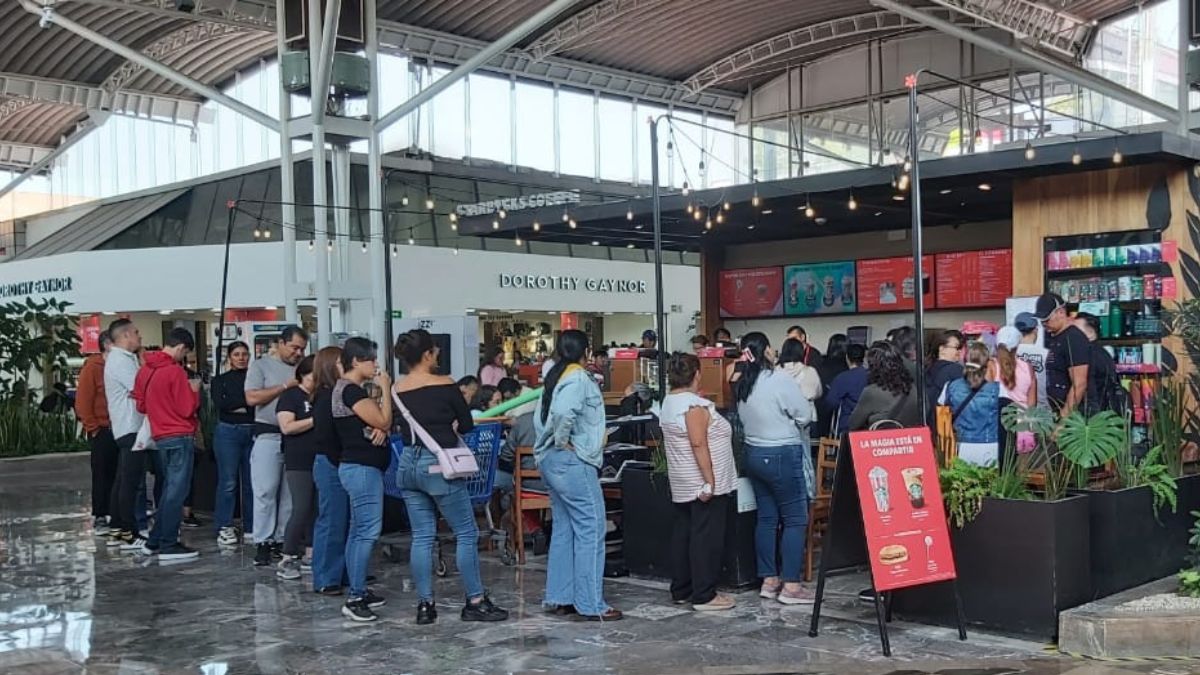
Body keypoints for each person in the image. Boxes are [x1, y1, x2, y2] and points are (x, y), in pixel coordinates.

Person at [393, 329, 509, 625]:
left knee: (421, 536)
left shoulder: (398, 388)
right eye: (435, 350)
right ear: (427, 354)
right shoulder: (444, 384)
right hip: (439, 466)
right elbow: (468, 424)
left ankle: (425, 605)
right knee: (466, 533)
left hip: (407, 464)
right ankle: (475, 600)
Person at [534, 329, 621, 620]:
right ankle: (590, 603)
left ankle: (561, 596)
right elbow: (562, 413)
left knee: (565, 527)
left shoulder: (555, 377)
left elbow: (543, 417)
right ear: (585, 353)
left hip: (552, 462)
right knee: (592, 528)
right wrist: (563, 440)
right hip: (572, 462)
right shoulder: (577, 379)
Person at [735, 332, 814, 605]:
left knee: (767, 519)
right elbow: (804, 414)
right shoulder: (779, 379)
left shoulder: (744, 382)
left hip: (753, 454)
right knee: (795, 518)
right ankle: (791, 586)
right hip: (782, 453)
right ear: (767, 351)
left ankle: (769, 581)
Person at [660, 353, 737, 612]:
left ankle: (682, 588)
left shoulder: (670, 402)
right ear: (696, 375)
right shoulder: (694, 406)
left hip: (682, 480)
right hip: (701, 482)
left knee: (684, 534)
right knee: (706, 537)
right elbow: (698, 442)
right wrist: (710, 481)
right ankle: (704, 594)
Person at [331, 337, 392, 622]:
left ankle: (359, 588)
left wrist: (378, 426)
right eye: (371, 360)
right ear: (356, 361)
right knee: (367, 531)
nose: (376, 365)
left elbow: (373, 424)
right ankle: (355, 595)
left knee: (358, 531)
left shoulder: (348, 391)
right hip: (361, 469)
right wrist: (386, 391)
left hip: (358, 467)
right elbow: (383, 420)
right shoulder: (351, 391)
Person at [132, 327, 201, 561]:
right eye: (185, 353)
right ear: (181, 347)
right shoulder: (175, 372)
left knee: (169, 490)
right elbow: (186, 408)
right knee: (176, 491)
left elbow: (140, 406)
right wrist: (195, 393)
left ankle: (154, 541)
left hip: (160, 436)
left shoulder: (144, 370)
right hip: (179, 435)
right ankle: (168, 543)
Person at [245, 325, 308, 566]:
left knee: (290, 495)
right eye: (294, 348)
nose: (298, 353)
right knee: (265, 489)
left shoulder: (302, 369)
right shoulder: (261, 366)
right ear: (280, 343)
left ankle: (283, 539)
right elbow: (251, 397)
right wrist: (285, 387)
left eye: (301, 349)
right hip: (268, 434)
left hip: (296, 436)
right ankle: (263, 540)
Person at [104, 319, 149, 551]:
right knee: (130, 482)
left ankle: (117, 528)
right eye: (136, 332)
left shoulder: (124, 358)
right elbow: (140, 388)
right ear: (125, 336)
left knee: (123, 479)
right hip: (130, 427)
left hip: (129, 426)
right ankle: (128, 532)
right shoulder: (120, 361)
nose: (139, 337)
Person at [310, 346, 349, 595]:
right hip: (330, 462)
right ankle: (326, 577)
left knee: (341, 521)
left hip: (334, 461)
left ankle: (341, 571)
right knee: (332, 521)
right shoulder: (326, 397)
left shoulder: (335, 394)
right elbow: (326, 436)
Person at [276, 355, 317, 581]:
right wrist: (314, 420)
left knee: (316, 508)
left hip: (319, 458)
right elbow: (287, 426)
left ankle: (311, 553)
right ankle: (288, 555)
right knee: (301, 507)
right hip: (298, 460)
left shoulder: (321, 395)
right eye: (313, 376)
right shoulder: (291, 396)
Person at [211, 341, 255, 546]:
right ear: (229, 357)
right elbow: (222, 405)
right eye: (236, 354)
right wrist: (246, 403)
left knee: (251, 482)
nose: (241, 357)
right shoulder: (220, 380)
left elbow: (256, 404)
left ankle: (252, 525)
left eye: (244, 354)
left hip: (252, 431)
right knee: (228, 482)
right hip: (228, 432)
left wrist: (241, 404)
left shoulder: (255, 379)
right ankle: (224, 525)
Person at [76, 329, 118, 536]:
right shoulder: (93, 367)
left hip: (121, 428)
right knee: (102, 473)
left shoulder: (123, 365)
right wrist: (93, 428)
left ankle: (117, 513)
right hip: (102, 429)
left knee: (120, 473)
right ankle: (101, 515)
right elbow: (83, 401)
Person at [940, 342, 1001, 466]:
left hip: (961, 446)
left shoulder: (950, 386)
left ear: (965, 360)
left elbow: (941, 414)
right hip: (990, 445)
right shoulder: (997, 389)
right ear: (987, 364)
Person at [848, 341, 924, 432]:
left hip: (880, 442)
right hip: (908, 441)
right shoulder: (913, 389)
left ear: (873, 367)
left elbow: (853, 424)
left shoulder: (871, 392)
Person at [1034, 293, 1090, 415]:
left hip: (1073, 418)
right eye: (1042, 321)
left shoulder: (1074, 338)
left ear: (1061, 312)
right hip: (1055, 410)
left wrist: (1063, 421)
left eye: (1047, 319)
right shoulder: (1052, 338)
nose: (1044, 324)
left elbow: (1079, 384)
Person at [1074, 312, 1121, 416]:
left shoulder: (1088, 354)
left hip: (1093, 415)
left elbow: (1087, 389)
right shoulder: (1102, 353)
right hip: (1104, 413)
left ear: (1090, 333)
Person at [823, 343, 868, 437]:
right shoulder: (870, 376)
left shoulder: (842, 378)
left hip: (848, 425)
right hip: (867, 423)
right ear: (863, 358)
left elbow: (831, 402)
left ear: (847, 357)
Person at [1014, 312, 1049, 411]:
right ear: (1036, 330)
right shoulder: (1047, 354)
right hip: (1042, 409)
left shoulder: (1009, 354)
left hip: (1015, 408)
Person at [926, 330, 965, 411]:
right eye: (957, 347)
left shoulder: (927, 369)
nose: (959, 351)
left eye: (961, 348)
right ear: (942, 349)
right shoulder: (956, 370)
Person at [777, 337, 823, 402]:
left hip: (780, 410)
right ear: (801, 352)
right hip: (806, 409)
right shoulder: (810, 371)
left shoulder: (774, 372)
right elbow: (818, 393)